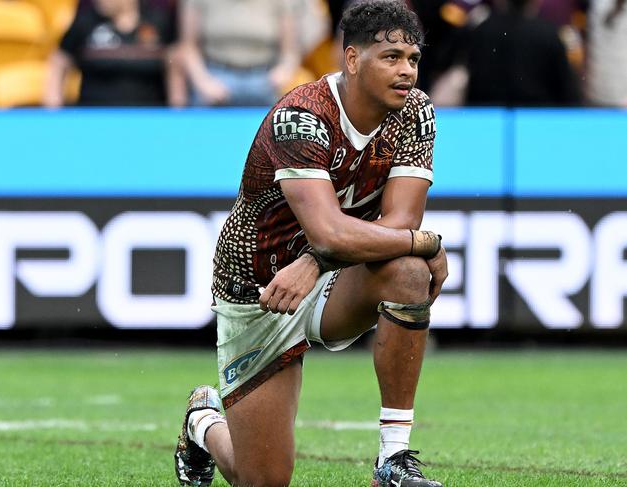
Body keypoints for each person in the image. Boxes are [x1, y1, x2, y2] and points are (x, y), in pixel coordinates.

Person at [174, 1, 448, 486]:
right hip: (260, 289)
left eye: (412, 58)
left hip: (328, 276)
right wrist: (427, 241)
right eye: (391, 57)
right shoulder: (300, 115)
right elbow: (331, 231)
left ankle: (394, 458)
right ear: (352, 58)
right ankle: (203, 423)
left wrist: (319, 261)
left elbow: (400, 220)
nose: (406, 70)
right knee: (263, 479)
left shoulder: (416, 111)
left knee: (408, 270)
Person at [169, 0, 302, 107]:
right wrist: (203, 82)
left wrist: (283, 71)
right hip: (216, 75)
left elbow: (290, 50)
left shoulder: (282, 2)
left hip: (264, 78)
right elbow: (188, 45)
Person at [44, 0, 175, 107]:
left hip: (149, 120)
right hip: (93, 119)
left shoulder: (158, 20)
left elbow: (174, 67)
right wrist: (53, 111)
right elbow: (59, 61)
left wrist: (177, 112)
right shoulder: (85, 21)